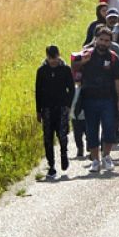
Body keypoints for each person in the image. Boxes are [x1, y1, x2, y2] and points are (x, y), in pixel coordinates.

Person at [73, 26, 119, 172]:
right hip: (89, 99)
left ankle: (106, 156)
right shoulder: (86, 55)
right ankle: (95, 160)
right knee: (91, 131)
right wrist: (82, 62)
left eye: (106, 40)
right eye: (101, 39)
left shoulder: (114, 58)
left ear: (110, 42)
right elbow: (73, 69)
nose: (103, 43)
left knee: (109, 129)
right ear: (95, 39)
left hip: (108, 99)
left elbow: (118, 80)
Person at [35, 44, 75, 177]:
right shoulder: (42, 71)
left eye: (55, 57)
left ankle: (64, 153)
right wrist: (38, 110)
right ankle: (51, 165)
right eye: (51, 58)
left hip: (62, 107)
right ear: (47, 57)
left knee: (63, 134)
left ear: (59, 55)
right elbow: (38, 91)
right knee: (47, 137)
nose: (53, 61)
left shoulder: (65, 69)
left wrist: (68, 105)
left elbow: (72, 89)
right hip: (47, 107)